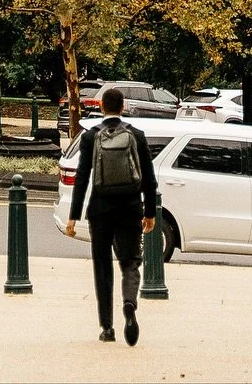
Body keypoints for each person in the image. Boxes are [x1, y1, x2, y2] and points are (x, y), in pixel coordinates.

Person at [64, 85, 159, 344]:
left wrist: (73, 215)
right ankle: (129, 303)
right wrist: (150, 212)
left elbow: (82, 177)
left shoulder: (91, 137)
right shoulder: (136, 135)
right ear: (123, 107)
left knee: (102, 266)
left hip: (100, 210)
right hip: (130, 208)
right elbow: (149, 179)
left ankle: (107, 328)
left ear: (102, 107)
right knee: (130, 262)